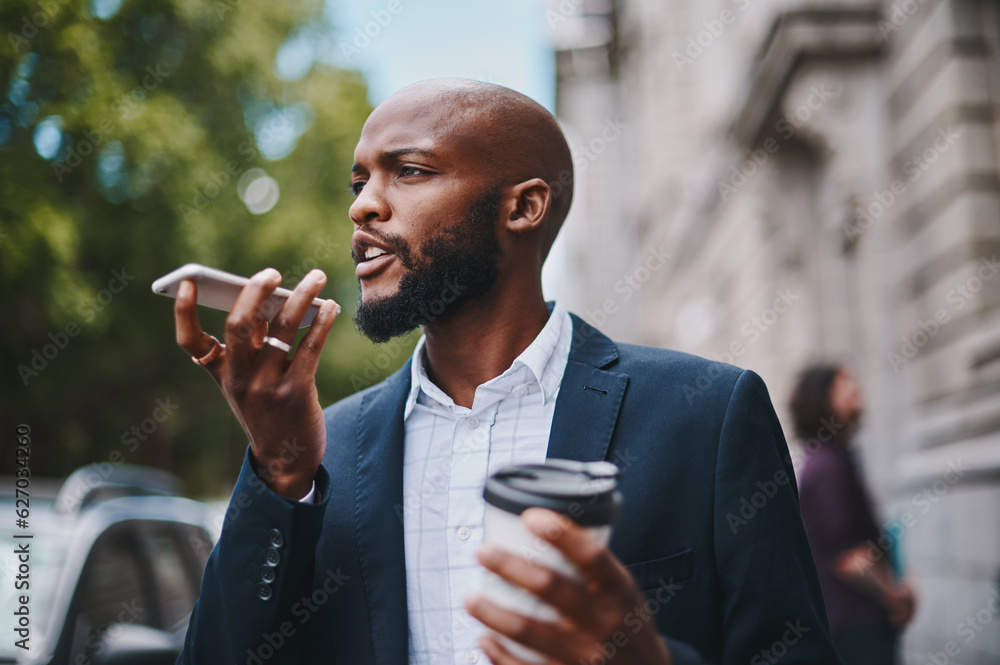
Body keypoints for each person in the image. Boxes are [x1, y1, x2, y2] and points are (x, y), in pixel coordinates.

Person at [175, 79, 841, 665]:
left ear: (524, 206)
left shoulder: (709, 414)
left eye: (407, 171)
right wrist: (280, 466)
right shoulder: (323, 452)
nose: (363, 206)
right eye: (358, 182)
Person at [792, 364, 916, 665]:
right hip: (855, 622)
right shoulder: (827, 466)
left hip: (857, 620)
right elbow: (848, 557)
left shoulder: (831, 458)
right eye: (846, 388)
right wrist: (894, 594)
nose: (858, 396)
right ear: (821, 399)